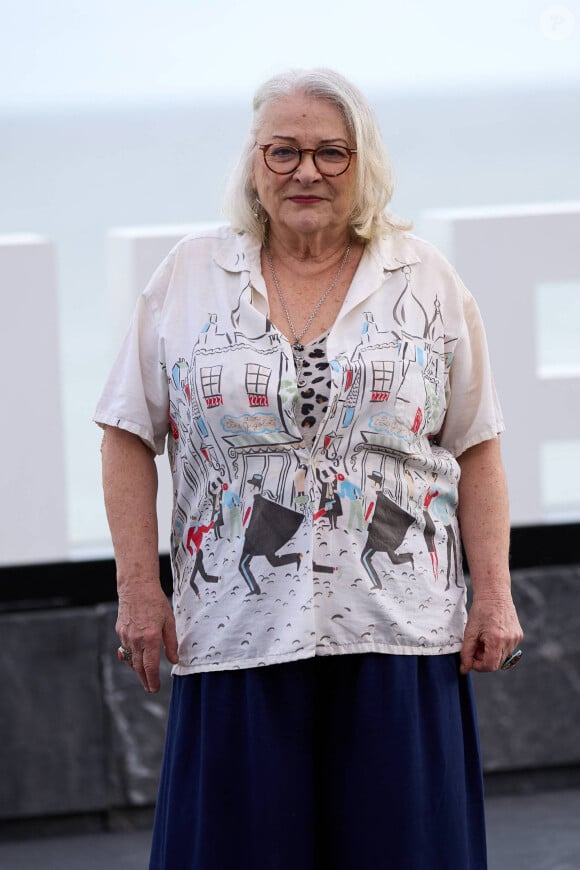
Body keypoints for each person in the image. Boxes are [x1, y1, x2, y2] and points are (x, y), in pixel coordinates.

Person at [95, 68, 523, 870]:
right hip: (237, 622)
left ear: (364, 166)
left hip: (398, 627)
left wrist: (493, 594)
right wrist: (137, 588)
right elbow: (125, 429)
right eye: (283, 150)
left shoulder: (424, 277)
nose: (306, 171)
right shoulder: (189, 277)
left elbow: (478, 442)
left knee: (406, 852)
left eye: (332, 152)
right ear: (253, 164)